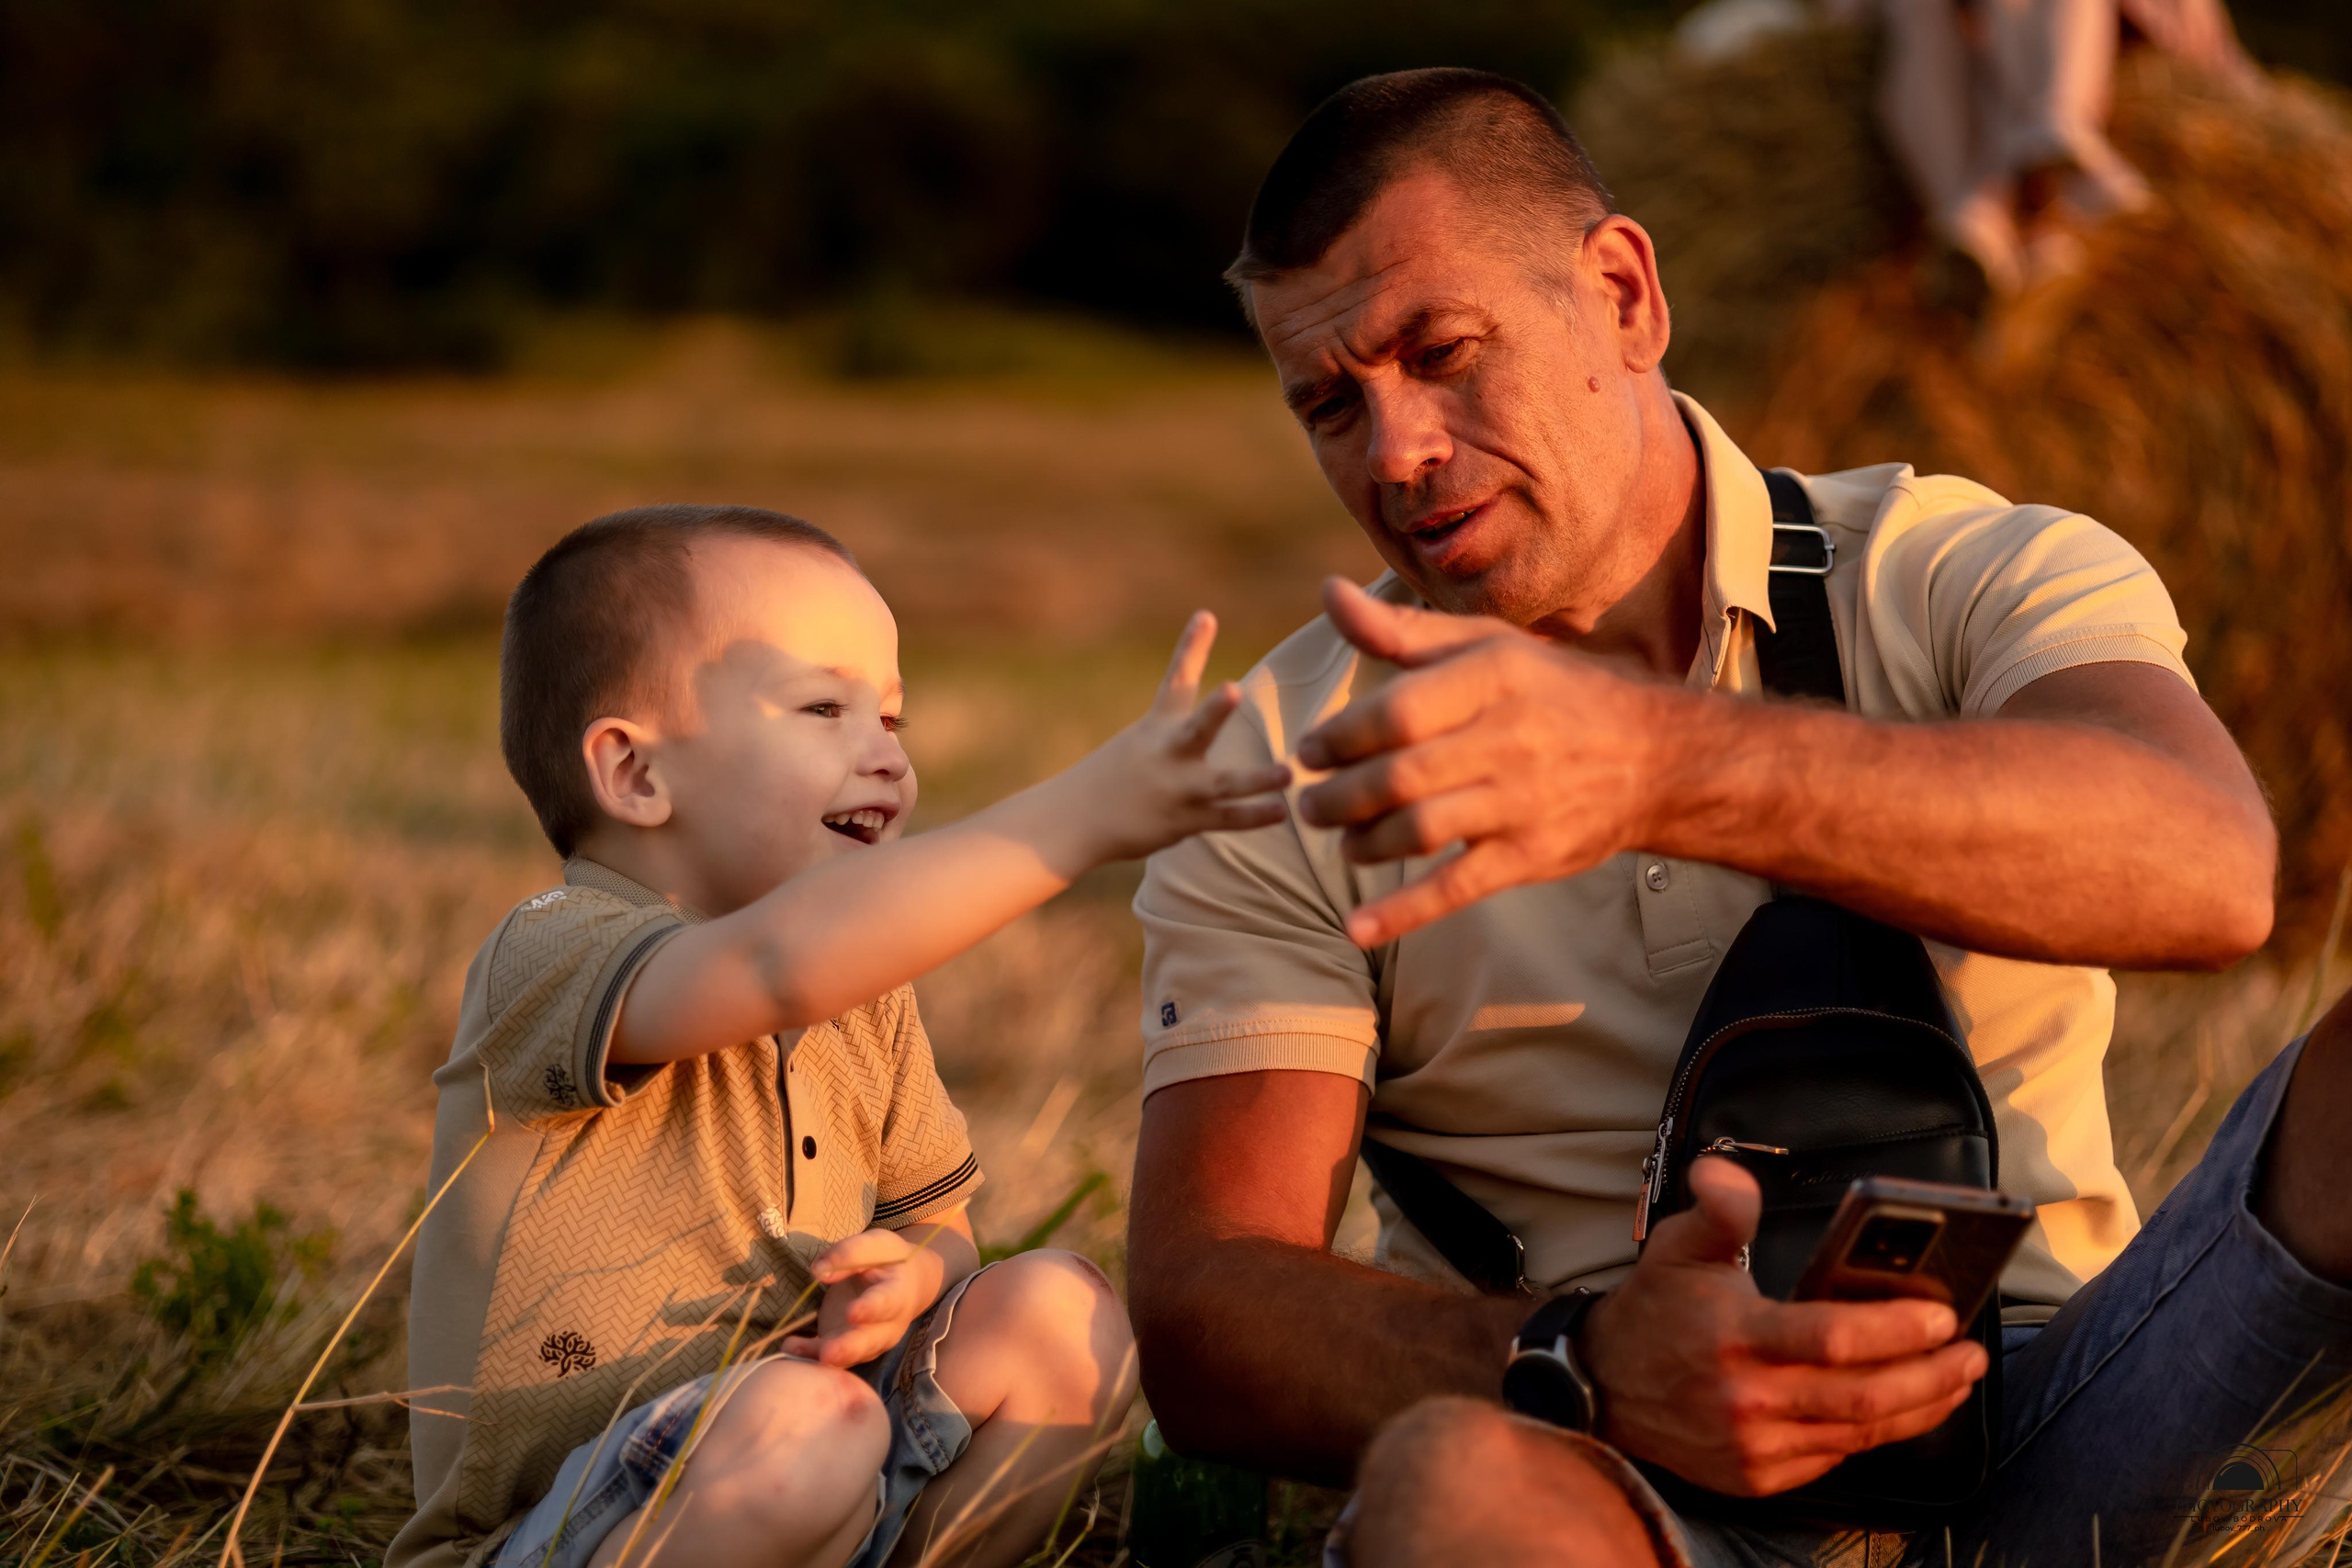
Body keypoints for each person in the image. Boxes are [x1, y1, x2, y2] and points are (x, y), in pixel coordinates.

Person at [1125, 68, 2352, 1566]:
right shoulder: (1276, 755)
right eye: (1330, 401)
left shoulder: (1964, 572)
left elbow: (2208, 865)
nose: (1393, 451)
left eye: (1441, 353)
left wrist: (1660, 764)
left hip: (2064, 1405)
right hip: (1623, 1473)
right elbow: (1204, 1305)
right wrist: (1578, 1361)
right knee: (1457, 1491)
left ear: (1625, 294)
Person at [389, 504, 1291, 1568]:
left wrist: (914, 1275)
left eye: (892, 720)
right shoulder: (552, 953)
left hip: (817, 1460)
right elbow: (773, 965)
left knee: (1062, 1315)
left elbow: (939, 1223)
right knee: (814, 1427)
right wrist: (1083, 817)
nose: (888, 760)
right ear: (636, 775)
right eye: (824, 708)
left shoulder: (864, 1001)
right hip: (567, 1531)